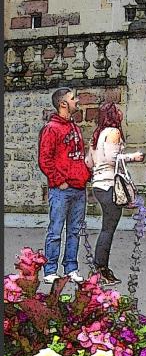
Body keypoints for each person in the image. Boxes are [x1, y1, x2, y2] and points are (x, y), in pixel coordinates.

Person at [85, 102, 145, 286]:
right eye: (118, 110)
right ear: (113, 115)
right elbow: (112, 159)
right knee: (108, 229)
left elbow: (89, 162)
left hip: (98, 184)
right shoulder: (113, 132)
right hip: (109, 185)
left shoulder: (96, 135)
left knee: (107, 228)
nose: (121, 113)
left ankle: (99, 269)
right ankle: (100, 270)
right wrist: (133, 157)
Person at [38, 87, 91, 284]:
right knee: (55, 230)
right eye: (73, 98)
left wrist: (85, 175)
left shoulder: (74, 127)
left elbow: (78, 156)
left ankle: (71, 268)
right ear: (63, 104)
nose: (77, 101)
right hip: (62, 189)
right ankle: (50, 269)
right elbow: (45, 159)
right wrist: (59, 181)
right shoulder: (52, 128)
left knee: (74, 231)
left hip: (78, 187)